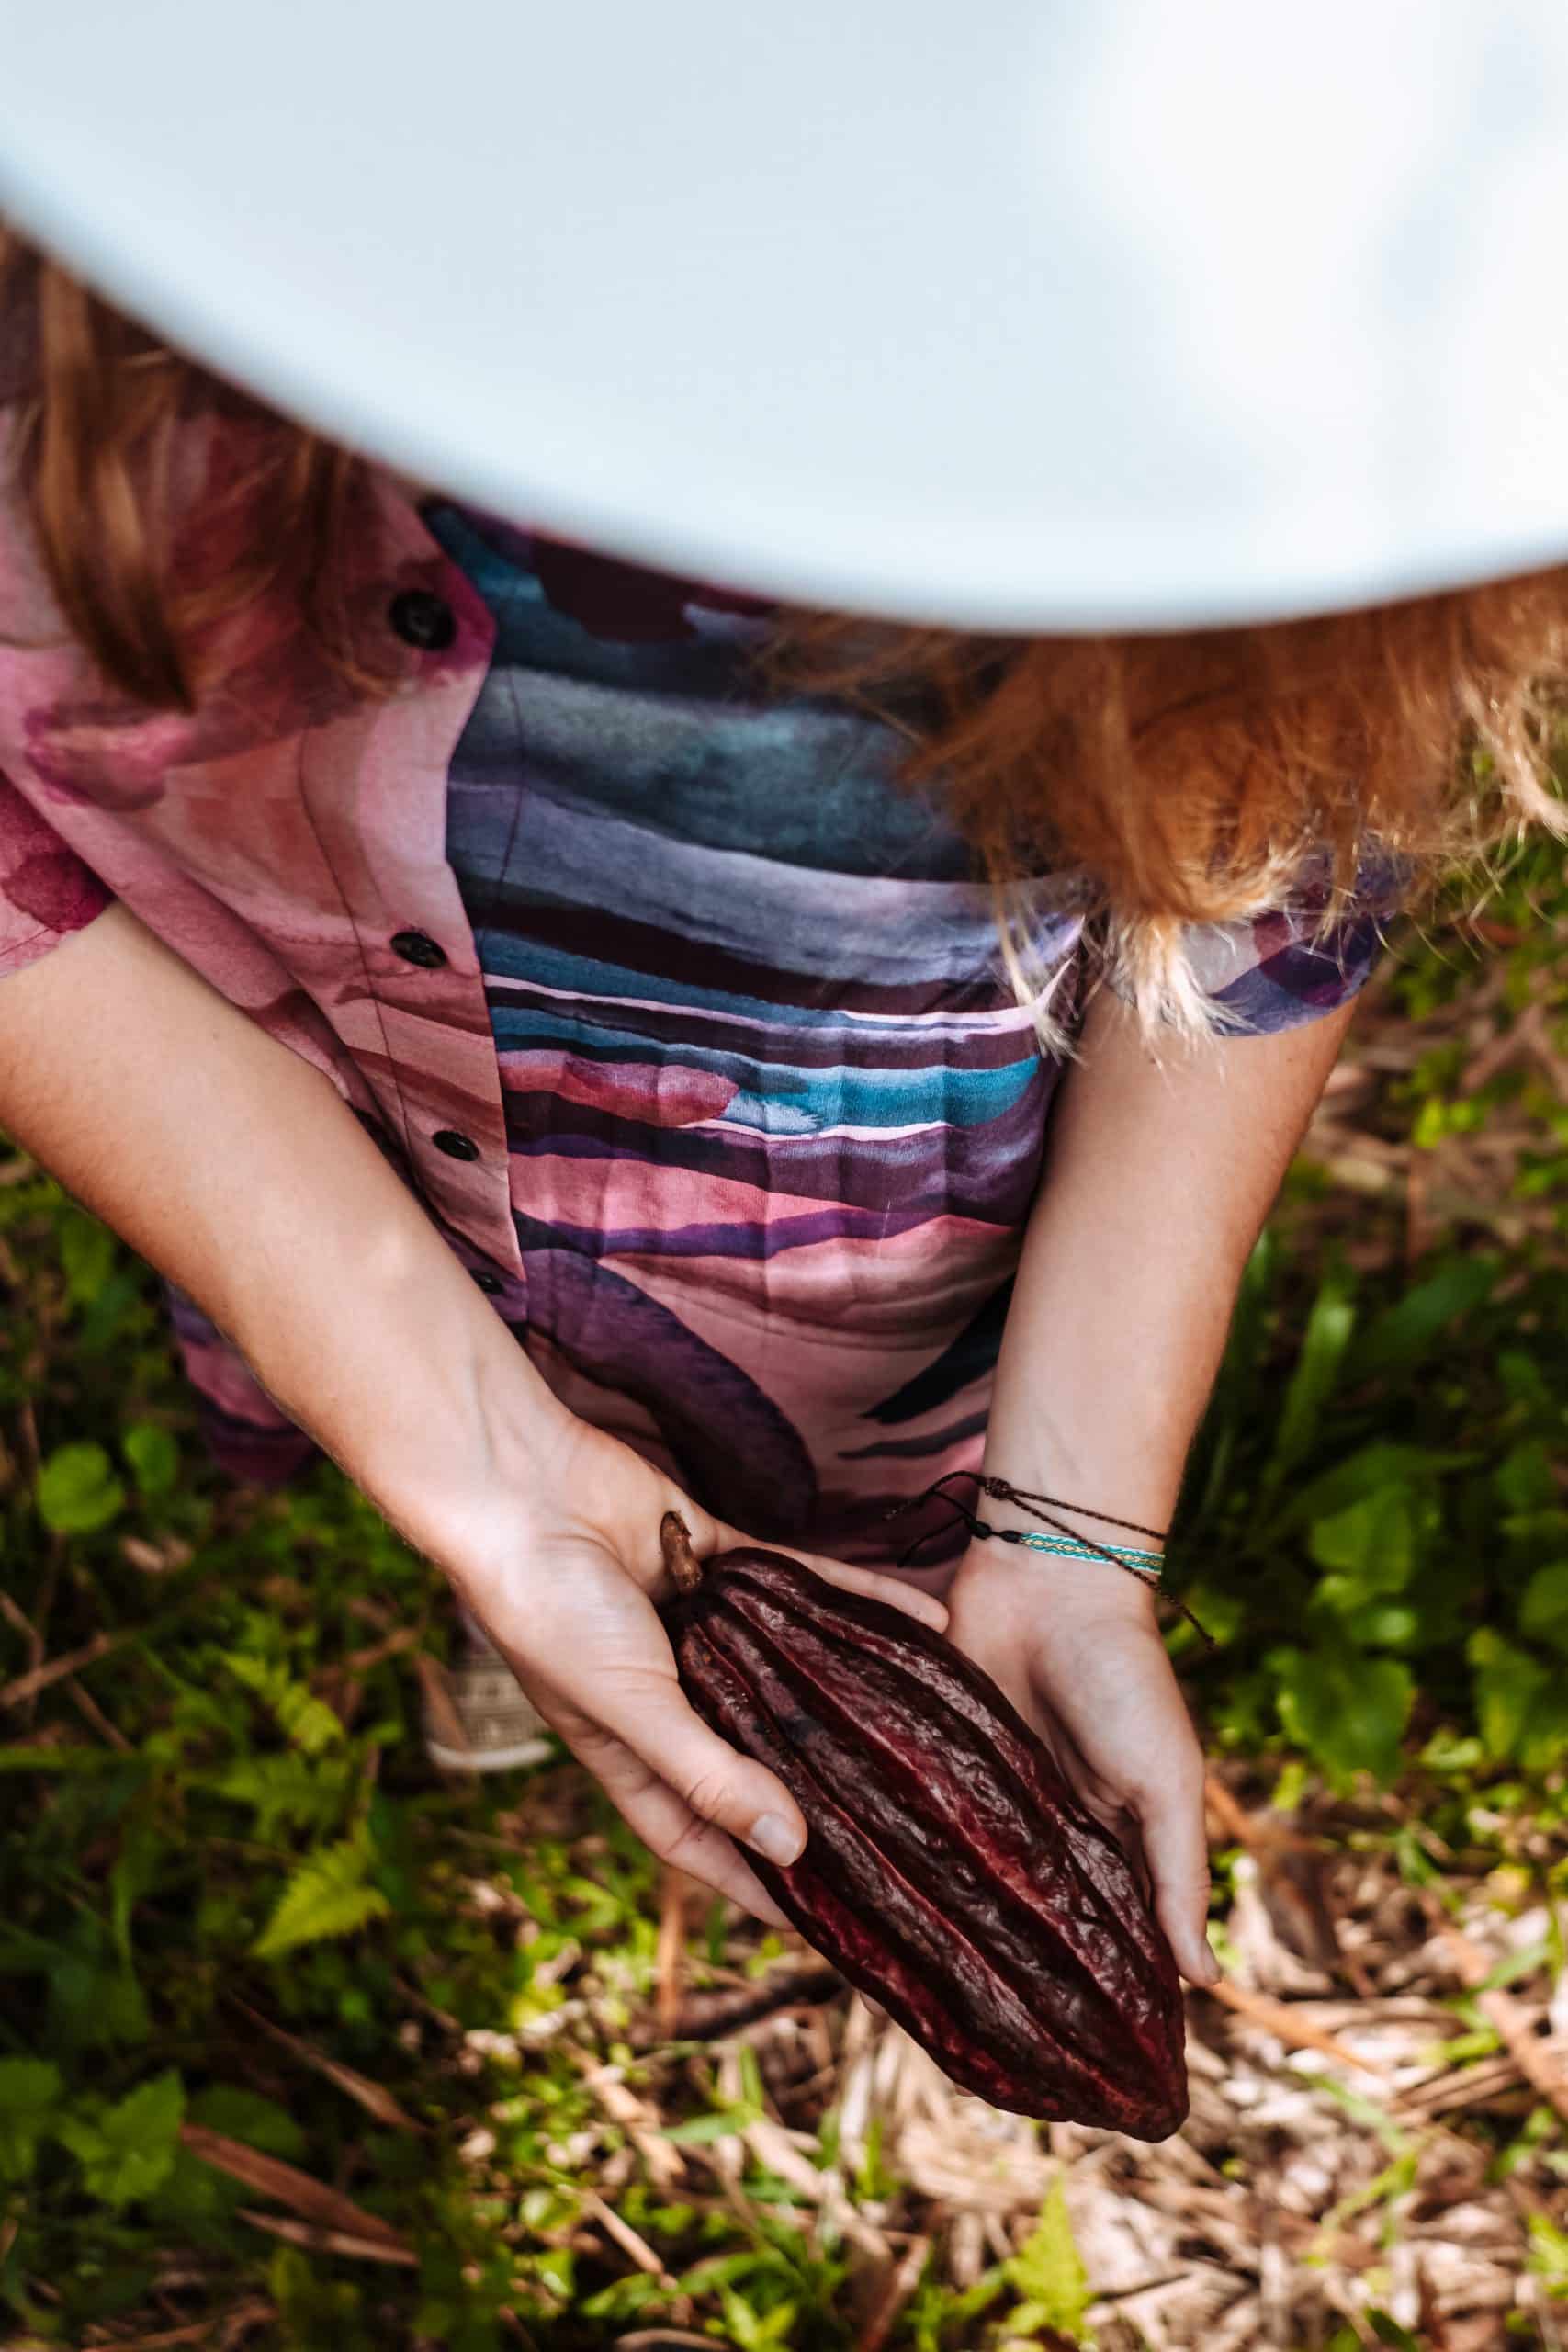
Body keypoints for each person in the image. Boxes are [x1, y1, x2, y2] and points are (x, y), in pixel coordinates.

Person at [1, 220, 1564, 2018]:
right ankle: (542, 1544)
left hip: (845, 1255)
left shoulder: (1258, 353)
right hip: (294, 1148)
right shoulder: (87, 244)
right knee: (483, 1435)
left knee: (815, 1494)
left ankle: (646, 1571)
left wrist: (1062, 1527)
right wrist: (484, 1479)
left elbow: (1267, 842)